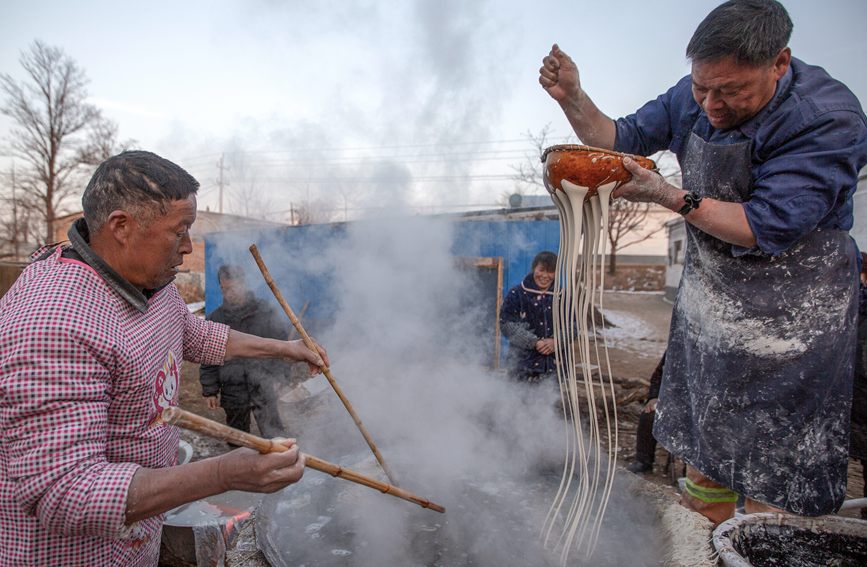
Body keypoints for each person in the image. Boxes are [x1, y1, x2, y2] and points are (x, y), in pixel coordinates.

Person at [540, 0, 867, 525]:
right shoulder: (697, 92)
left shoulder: (827, 118)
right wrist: (574, 99)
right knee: (706, 448)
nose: (711, 104)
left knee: (772, 472)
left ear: (779, 63)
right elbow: (615, 139)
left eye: (731, 91)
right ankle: (702, 536)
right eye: (701, 88)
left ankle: (762, 540)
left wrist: (668, 197)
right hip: (711, 301)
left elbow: (766, 225)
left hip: (793, 316)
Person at [0, 151, 329, 565]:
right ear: (122, 226)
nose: (189, 246)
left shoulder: (146, 280)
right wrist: (224, 474)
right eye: (180, 231)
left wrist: (286, 349)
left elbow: (194, 333)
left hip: (136, 539)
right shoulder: (53, 323)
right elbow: (65, 491)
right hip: (72, 556)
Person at [200, 264, 294, 438]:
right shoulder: (215, 319)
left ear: (243, 283)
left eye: (233, 287)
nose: (229, 293)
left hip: (264, 384)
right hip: (232, 389)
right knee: (237, 439)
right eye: (224, 289)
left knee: (275, 437)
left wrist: (282, 377)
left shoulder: (265, 312)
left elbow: (282, 347)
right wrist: (210, 390)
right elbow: (208, 357)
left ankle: (279, 463)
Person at [500, 251, 557, 383]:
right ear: (533, 269)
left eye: (550, 271)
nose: (545, 275)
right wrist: (534, 342)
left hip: (554, 366)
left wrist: (557, 341)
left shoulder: (562, 296)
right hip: (521, 365)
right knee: (517, 401)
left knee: (549, 402)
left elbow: (574, 325)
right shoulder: (517, 294)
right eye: (541, 270)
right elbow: (506, 324)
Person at [627, 352, 665, 475]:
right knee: (649, 415)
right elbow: (658, 376)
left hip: (702, 407)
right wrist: (654, 397)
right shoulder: (678, 346)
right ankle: (643, 461)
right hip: (674, 401)